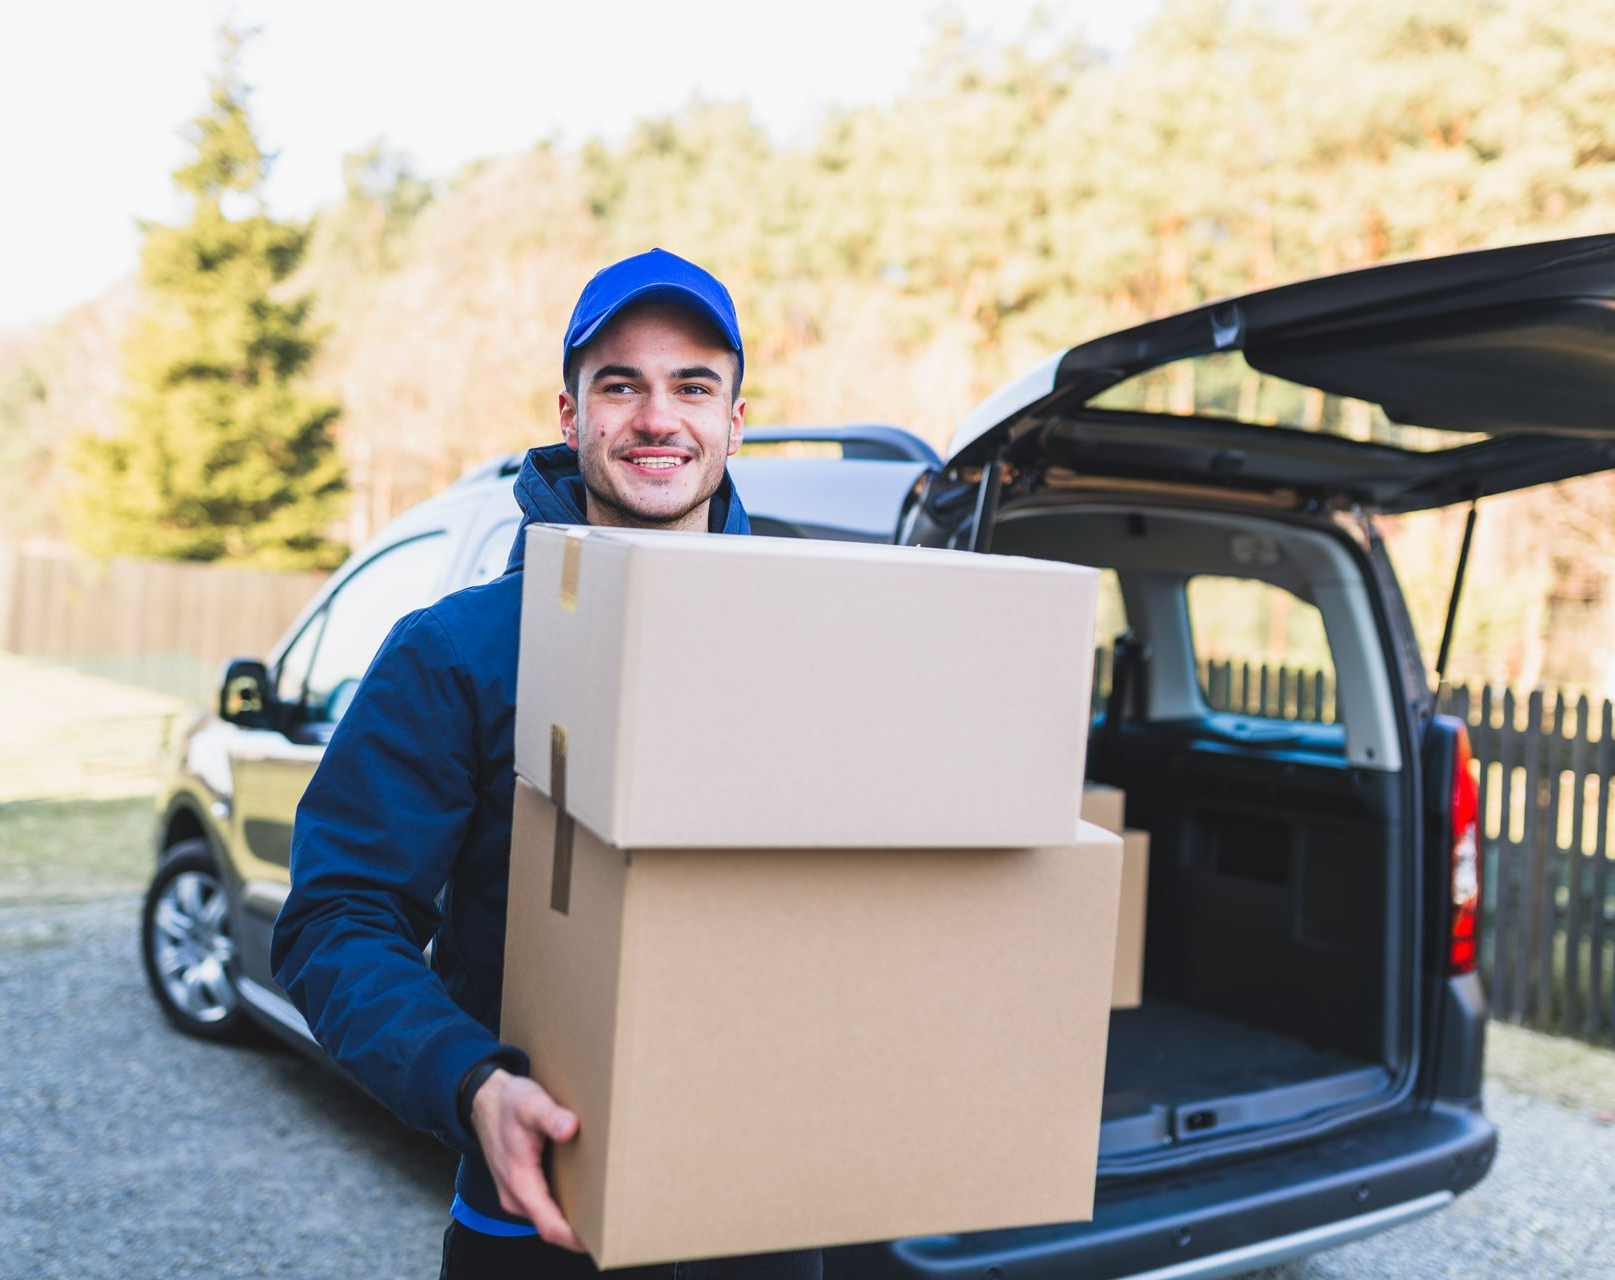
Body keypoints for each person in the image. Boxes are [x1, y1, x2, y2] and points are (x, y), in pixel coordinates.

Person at [272, 250, 823, 1280]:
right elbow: (335, 917)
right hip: (537, 1211)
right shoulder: (455, 650)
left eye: (692, 385)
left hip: (766, 1209)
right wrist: (472, 1081)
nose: (657, 416)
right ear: (570, 417)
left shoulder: (814, 631)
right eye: (620, 383)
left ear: (735, 420)